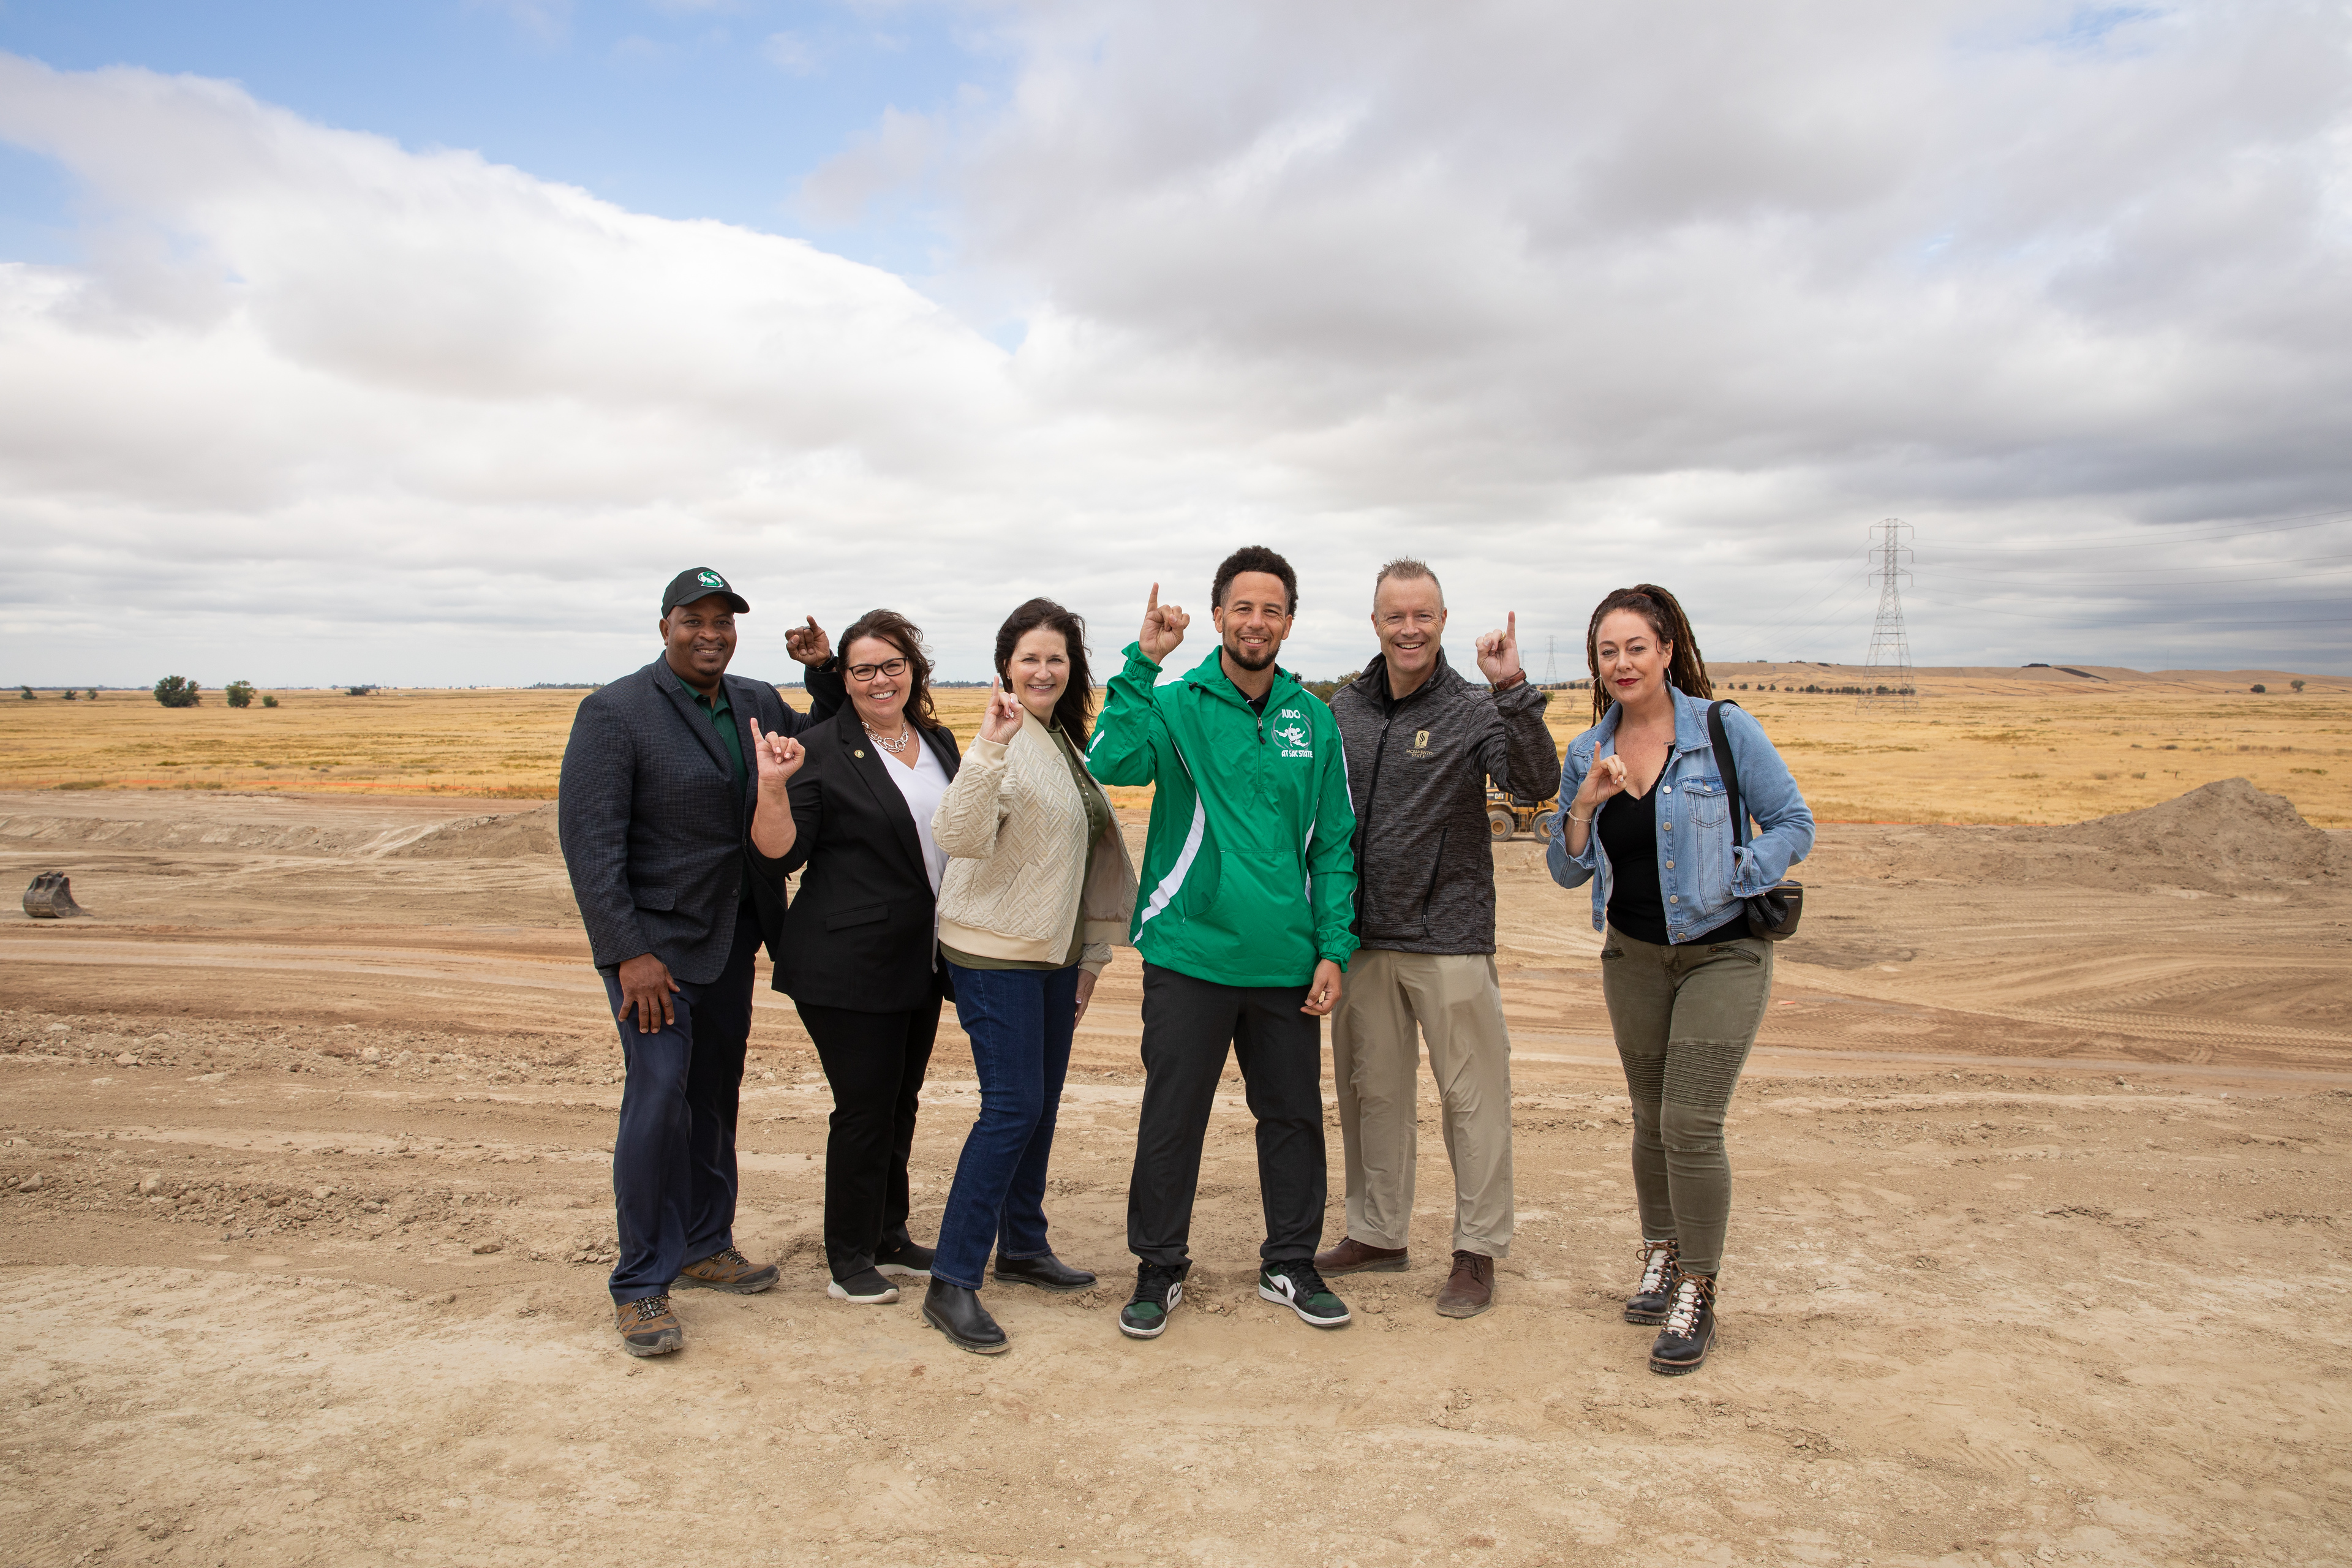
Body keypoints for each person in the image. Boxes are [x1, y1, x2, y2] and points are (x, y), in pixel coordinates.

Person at [557, 568, 839, 1358]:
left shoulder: (753, 700)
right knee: (656, 1107)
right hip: (656, 957)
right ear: (664, 626)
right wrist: (628, 954)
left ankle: (705, 1243)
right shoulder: (615, 713)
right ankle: (642, 1282)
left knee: (713, 1100)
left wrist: (821, 669)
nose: (710, 632)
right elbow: (591, 846)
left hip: (732, 939)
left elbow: (827, 732)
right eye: (694, 619)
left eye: (723, 620)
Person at [1087, 546, 1360, 1340]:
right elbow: (1112, 759)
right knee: (1174, 1117)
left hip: (1284, 962)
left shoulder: (1312, 721)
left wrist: (1332, 948)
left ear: (1288, 623)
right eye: (1243, 607)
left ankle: (1290, 1263)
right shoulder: (1176, 705)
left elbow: (1333, 847)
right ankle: (1158, 1267)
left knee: (1293, 1120)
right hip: (1189, 953)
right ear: (1217, 617)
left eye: (1272, 609)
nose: (1257, 621)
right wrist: (1142, 662)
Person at [1545, 584, 1814, 1375]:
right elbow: (1565, 869)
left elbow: (1793, 822)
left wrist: (1740, 869)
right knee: (1648, 1115)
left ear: (1667, 650)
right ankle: (1660, 1254)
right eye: (1607, 651)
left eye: (1636, 647)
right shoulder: (1587, 750)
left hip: (1722, 952)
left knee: (1691, 1122)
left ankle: (1698, 1286)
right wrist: (1585, 806)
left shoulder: (1724, 731)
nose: (1622, 663)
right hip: (1632, 957)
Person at [1318, 559, 1560, 1318]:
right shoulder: (1341, 709)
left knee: (1473, 1098)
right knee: (1371, 1094)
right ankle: (1378, 1232)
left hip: (1450, 937)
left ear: (1444, 620)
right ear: (1375, 623)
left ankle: (1477, 1249)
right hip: (1362, 939)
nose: (1410, 628)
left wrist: (1514, 692)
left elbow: (1532, 784)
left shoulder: (1472, 707)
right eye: (1396, 616)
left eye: (1423, 615)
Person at [918, 599, 1140, 1354]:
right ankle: (952, 1281)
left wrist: (1088, 961)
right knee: (1011, 1108)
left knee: (1038, 1106)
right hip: (995, 954)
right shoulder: (1007, 741)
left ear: (1071, 668)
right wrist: (985, 746)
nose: (1044, 670)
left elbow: (1080, 865)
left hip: (1050, 956)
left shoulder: (1062, 743)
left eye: (1057, 658)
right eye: (1029, 658)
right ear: (1004, 668)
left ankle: (1022, 1244)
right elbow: (958, 834)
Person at [764, 610, 962, 1307]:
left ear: (914, 669)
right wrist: (771, 787)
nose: (880, 679)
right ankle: (848, 1256)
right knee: (864, 1108)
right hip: (843, 961)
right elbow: (784, 852)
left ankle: (889, 1232)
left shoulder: (937, 741)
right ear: (842, 681)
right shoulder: (818, 747)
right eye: (863, 669)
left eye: (892, 665)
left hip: (920, 959)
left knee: (898, 1103)